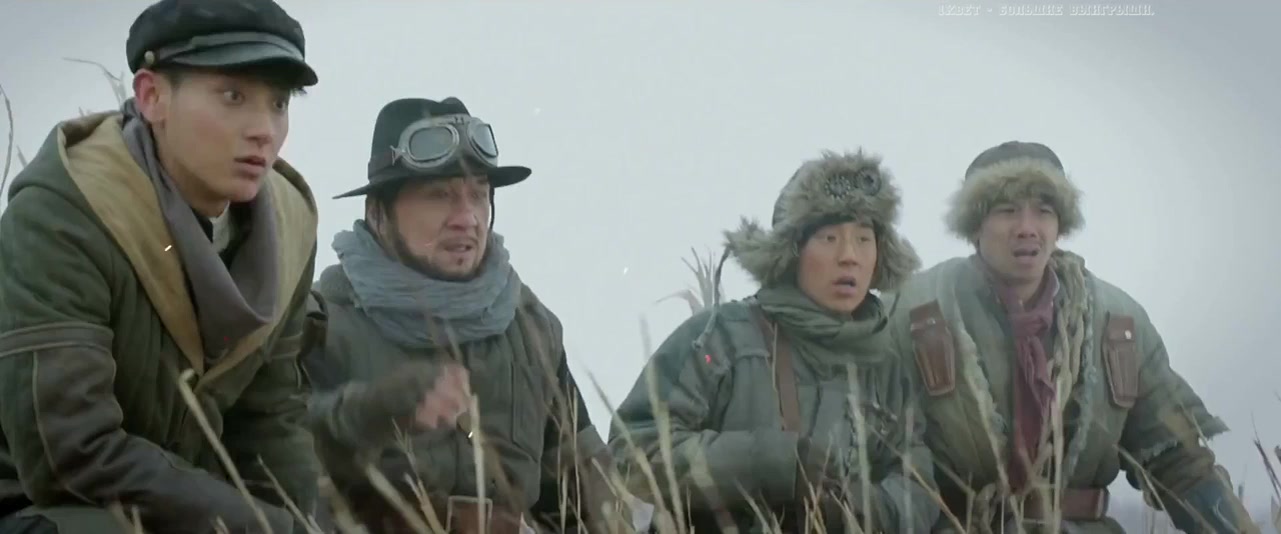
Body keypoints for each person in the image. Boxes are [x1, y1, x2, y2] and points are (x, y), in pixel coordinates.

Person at [0, 0, 323, 533]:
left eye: (279, 103)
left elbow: (270, 420)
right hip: (38, 507)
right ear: (152, 97)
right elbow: (71, 455)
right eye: (233, 96)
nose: (264, 129)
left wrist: (295, 525)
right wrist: (254, 526)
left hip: (188, 508)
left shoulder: (290, 228)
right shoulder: (64, 215)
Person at [886, 140, 1256, 533]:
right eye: (1007, 210)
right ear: (975, 225)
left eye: (1043, 211)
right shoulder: (913, 311)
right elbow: (879, 456)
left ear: (1060, 223)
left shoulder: (1116, 324)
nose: (1027, 228)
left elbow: (1180, 463)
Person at [302, 97, 630, 534]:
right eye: (439, 195)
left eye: (478, 195)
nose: (467, 218)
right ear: (378, 212)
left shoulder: (530, 329)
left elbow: (585, 494)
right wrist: (374, 410)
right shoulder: (319, 323)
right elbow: (275, 452)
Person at [608, 150, 940, 532]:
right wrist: (768, 463)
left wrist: (854, 510)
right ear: (792, 251)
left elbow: (918, 489)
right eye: (829, 238)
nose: (849, 256)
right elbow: (633, 453)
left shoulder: (884, 365)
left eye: (864, 238)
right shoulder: (723, 338)